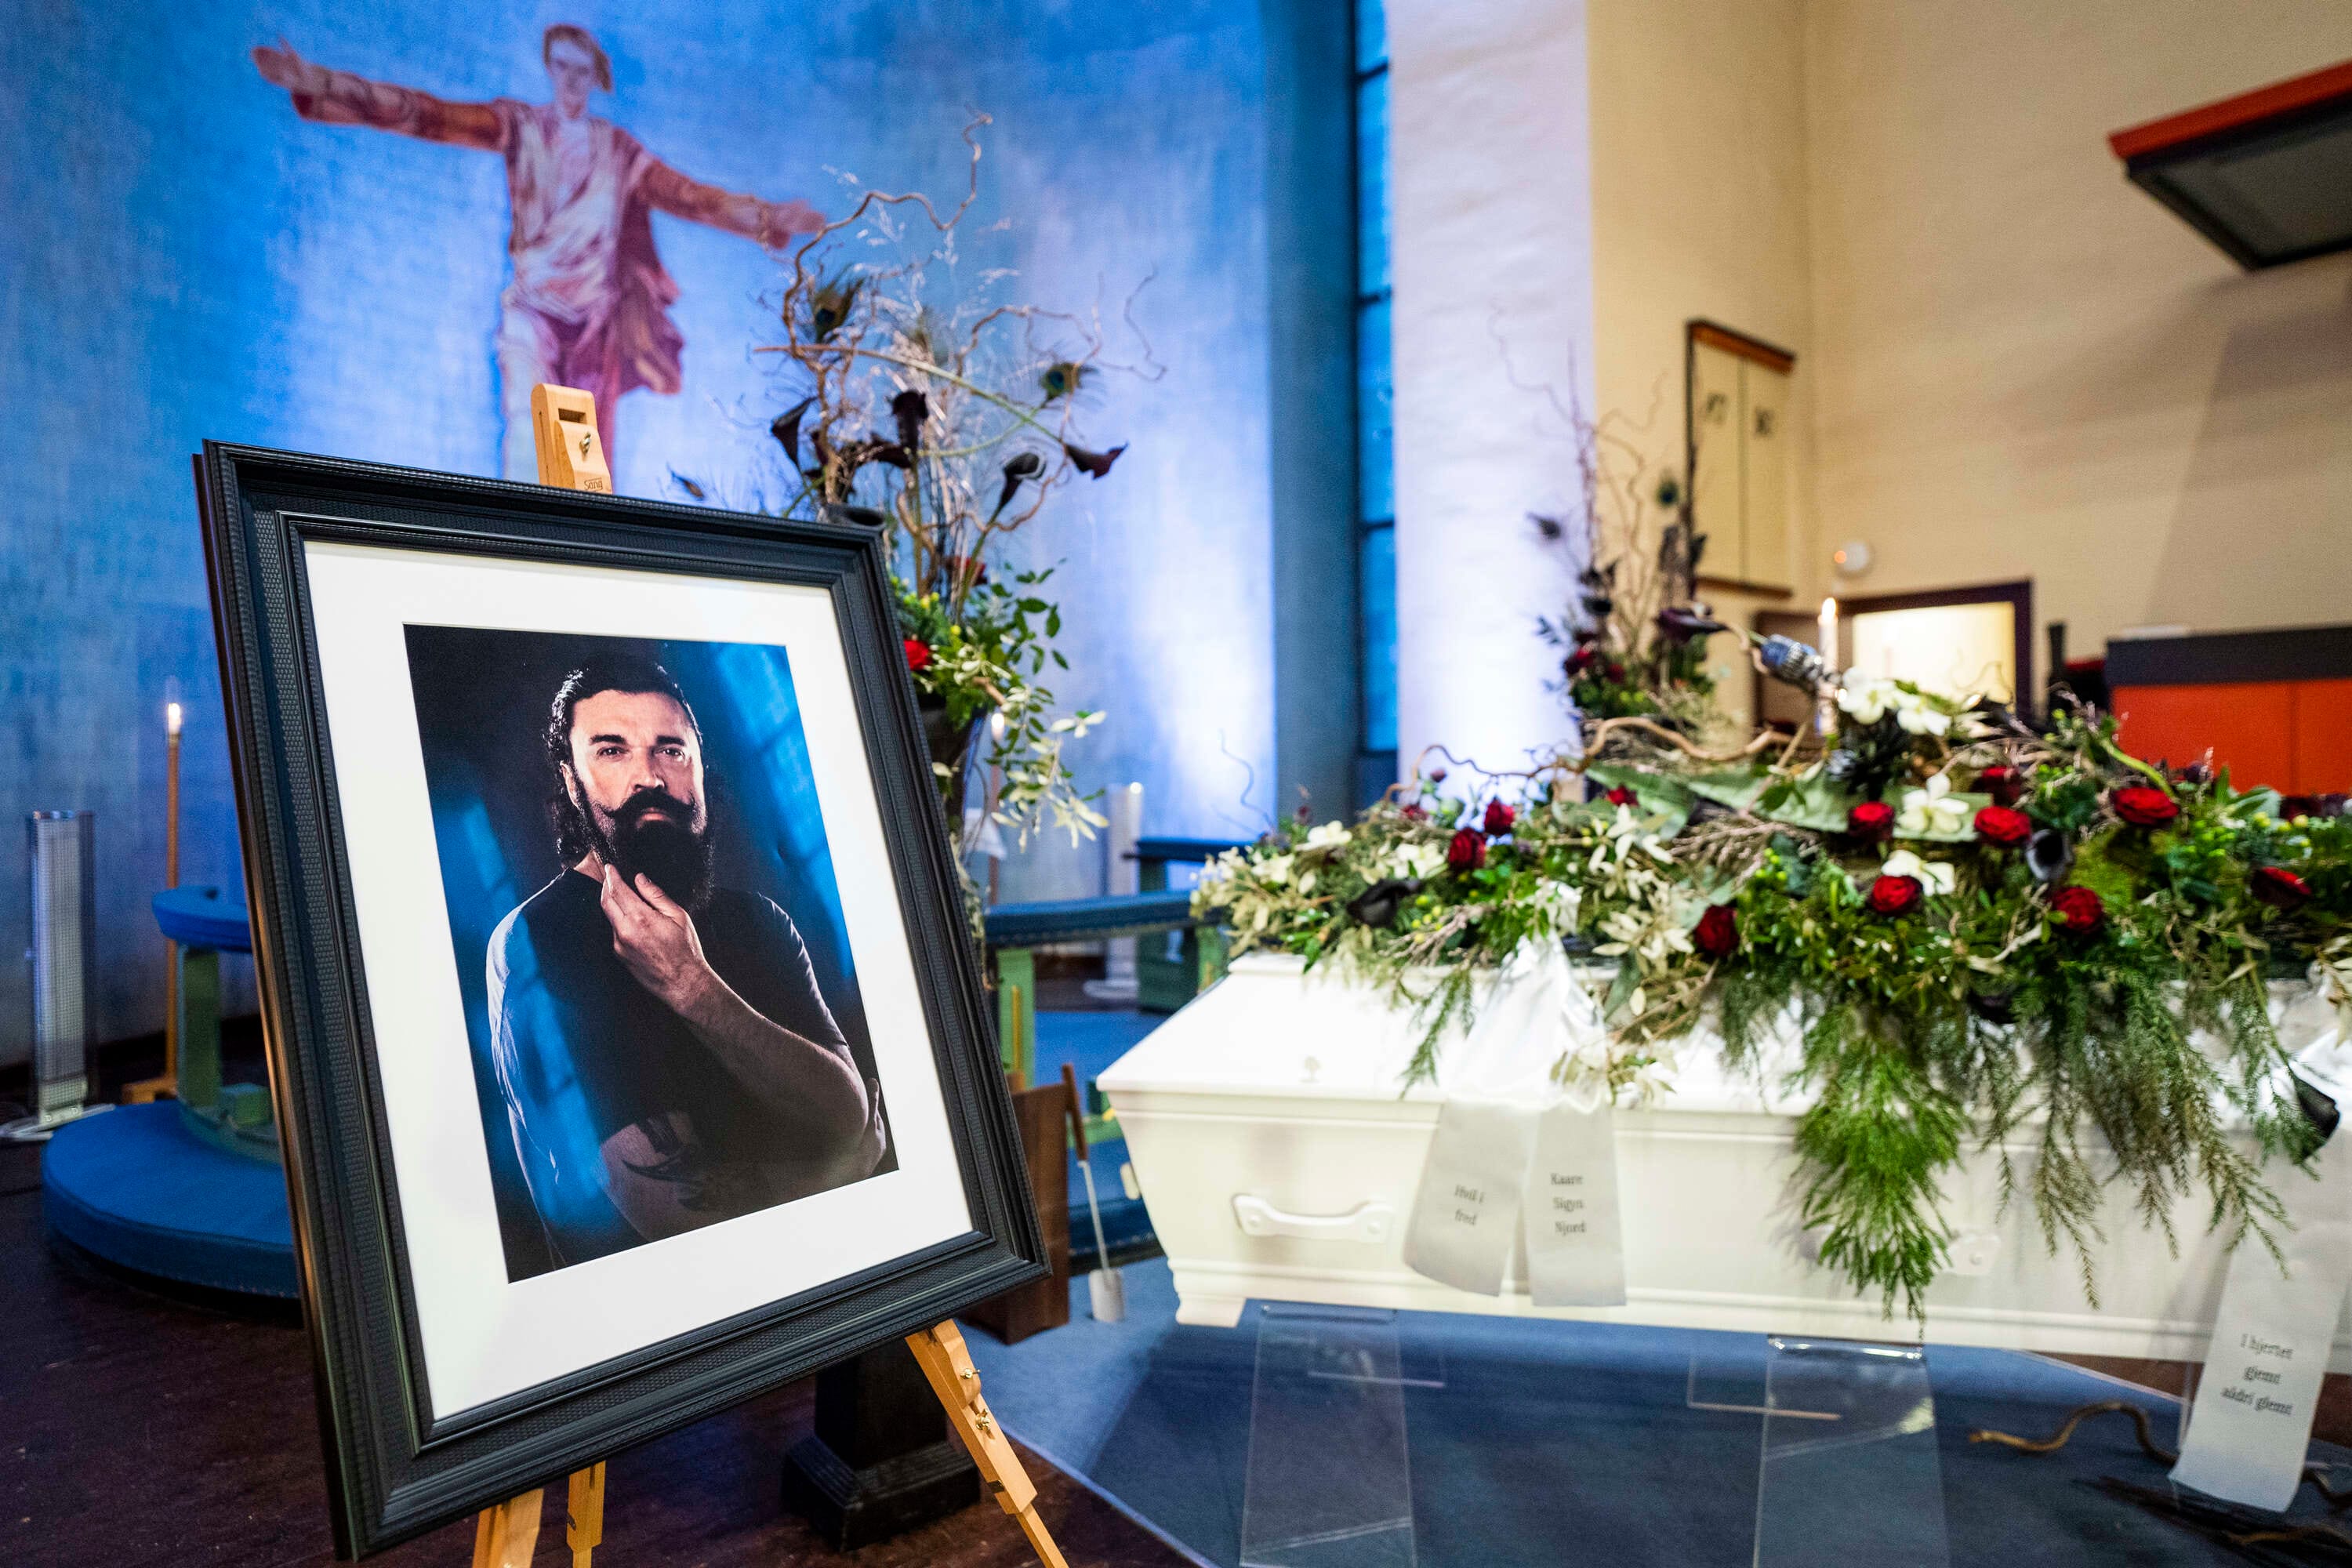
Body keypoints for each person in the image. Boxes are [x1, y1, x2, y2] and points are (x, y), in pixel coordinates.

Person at [252, 26, 823, 478]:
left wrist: (769, 219)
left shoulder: (619, 152)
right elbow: (429, 115)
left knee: (579, 482)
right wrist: (325, 83)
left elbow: (692, 199)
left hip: (591, 329)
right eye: (561, 67)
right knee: (529, 455)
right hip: (534, 318)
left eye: (581, 70)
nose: (570, 80)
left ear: (595, 78)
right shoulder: (520, 126)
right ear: (549, 69)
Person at [485, 654, 885, 1269]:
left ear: (699, 766)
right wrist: (833, 1180)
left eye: (671, 750)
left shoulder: (758, 920)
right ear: (571, 778)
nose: (649, 777)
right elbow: (681, 1221)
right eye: (612, 751)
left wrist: (694, 988)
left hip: (818, 1276)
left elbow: (845, 1113)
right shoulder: (537, 941)